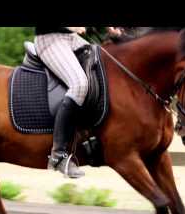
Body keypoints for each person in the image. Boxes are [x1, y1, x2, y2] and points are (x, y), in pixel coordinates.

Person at [34, 27, 123, 178]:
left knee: (107, 68)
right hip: (50, 39)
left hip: (72, 39)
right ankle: (58, 155)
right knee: (79, 85)